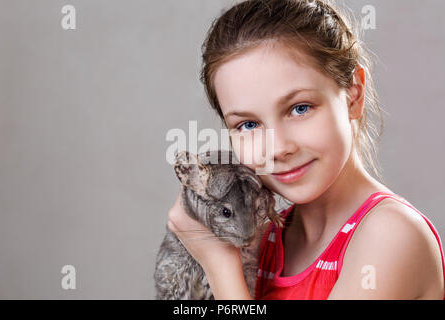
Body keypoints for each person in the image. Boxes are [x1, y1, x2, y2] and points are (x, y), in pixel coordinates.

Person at [166, 0, 445, 299]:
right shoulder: (261, 242)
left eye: (300, 108)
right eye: (248, 125)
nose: (278, 148)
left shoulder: (391, 236)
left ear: (354, 93)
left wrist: (218, 264)